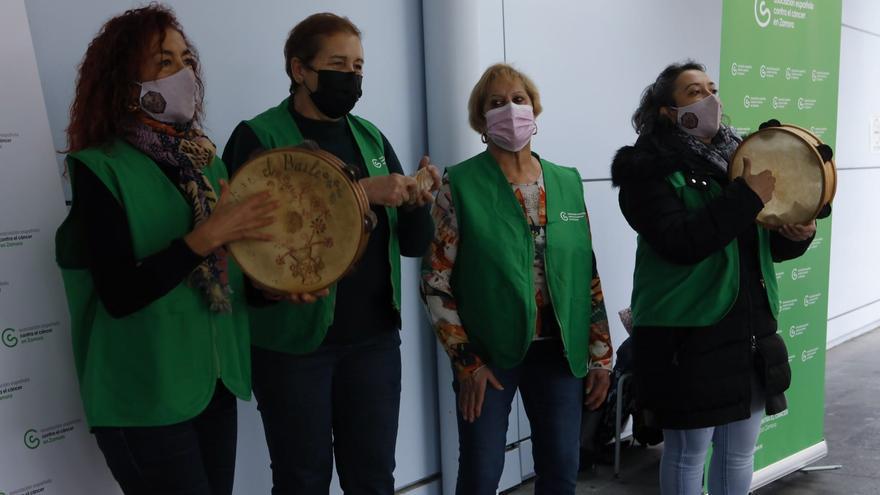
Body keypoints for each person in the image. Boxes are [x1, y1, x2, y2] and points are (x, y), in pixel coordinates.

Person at [55, 5, 275, 494]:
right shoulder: (98, 168)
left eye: (185, 59)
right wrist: (206, 236)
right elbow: (120, 293)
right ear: (123, 78)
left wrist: (275, 289)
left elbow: (230, 276)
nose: (184, 73)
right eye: (164, 61)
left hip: (215, 385)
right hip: (145, 396)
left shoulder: (206, 163)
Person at [222, 12, 440, 494]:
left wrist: (421, 201)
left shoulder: (371, 138)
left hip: (374, 342)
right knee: (302, 479)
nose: (353, 76)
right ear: (300, 70)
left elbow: (412, 245)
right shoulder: (258, 137)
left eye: (359, 66)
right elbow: (243, 240)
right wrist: (362, 192)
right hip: (293, 347)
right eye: (339, 63)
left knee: (375, 477)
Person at [610, 61, 817, 495]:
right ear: (667, 110)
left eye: (711, 88)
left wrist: (796, 235)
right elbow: (680, 242)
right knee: (688, 455)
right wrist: (745, 195)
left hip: (747, 328)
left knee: (739, 453)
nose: (709, 100)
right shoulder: (645, 169)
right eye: (692, 92)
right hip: (687, 335)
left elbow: (758, 245)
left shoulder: (742, 157)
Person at [420, 63, 613, 495]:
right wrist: (466, 361)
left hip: (560, 352)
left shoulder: (565, 181)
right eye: (497, 102)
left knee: (562, 470)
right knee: (481, 474)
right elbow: (435, 281)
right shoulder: (460, 184)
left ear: (534, 110)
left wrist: (601, 356)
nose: (510, 108)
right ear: (482, 121)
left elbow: (587, 273)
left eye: (519, 99)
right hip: (488, 356)